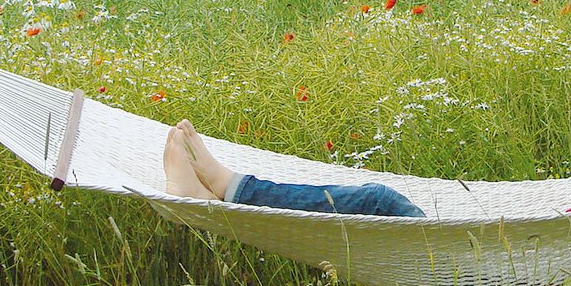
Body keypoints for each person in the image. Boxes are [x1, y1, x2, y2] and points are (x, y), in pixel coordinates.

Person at [163, 119, 571, 217]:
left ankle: (222, 187)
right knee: (383, 196)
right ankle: (223, 183)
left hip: (503, 269)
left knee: (378, 197)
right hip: (504, 250)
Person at [163, 120, 427, 218]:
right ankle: (223, 189)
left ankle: (226, 187)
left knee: (379, 200)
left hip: (444, 244)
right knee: (378, 198)